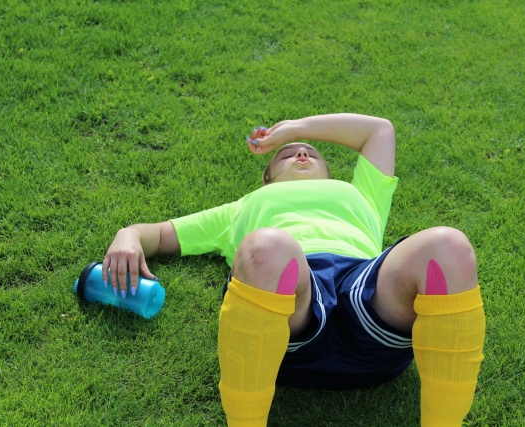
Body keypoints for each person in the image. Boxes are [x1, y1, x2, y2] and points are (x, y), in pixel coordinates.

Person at [102, 113, 486, 427]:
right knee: (268, 247)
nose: (301, 151)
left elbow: (378, 130)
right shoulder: (243, 207)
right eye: (287, 155)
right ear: (267, 177)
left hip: (367, 300)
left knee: (447, 246)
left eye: (310, 152)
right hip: (286, 318)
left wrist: (292, 131)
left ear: (329, 172)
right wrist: (128, 235)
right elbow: (161, 235)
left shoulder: (362, 195)